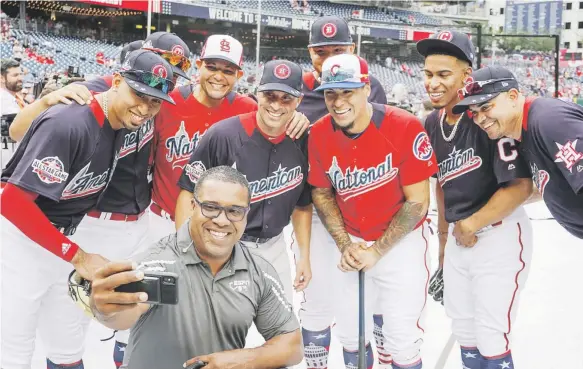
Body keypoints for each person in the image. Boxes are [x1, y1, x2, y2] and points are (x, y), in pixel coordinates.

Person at [7, 32, 193, 368]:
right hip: (54, 232)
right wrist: (48, 101)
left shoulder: (136, 110)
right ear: (121, 78)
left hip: (82, 230)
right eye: (141, 93)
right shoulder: (88, 105)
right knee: (15, 346)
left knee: (72, 341)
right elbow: (12, 190)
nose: (147, 105)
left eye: (157, 97)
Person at [87, 166, 303, 369]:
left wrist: (239, 361)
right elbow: (122, 315)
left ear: (246, 215)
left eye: (234, 211)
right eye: (210, 207)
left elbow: (292, 345)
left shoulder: (259, 271)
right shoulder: (156, 262)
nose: (221, 220)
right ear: (193, 207)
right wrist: (104, 310)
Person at [308, 54, 436, 369]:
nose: (337, 102)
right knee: (351, 336)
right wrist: (344, 244)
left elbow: (418, 201)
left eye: (347, 91)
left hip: (401, 244)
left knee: (402, 341)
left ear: (366, 87)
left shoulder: (404, 126)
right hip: (352, 239)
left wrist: (376, 251)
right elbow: (322, 192)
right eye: (330, 93)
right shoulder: (320, 132)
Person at [417, 31, 534, 369]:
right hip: (458, 238)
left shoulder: (485, 117)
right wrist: (442, 245)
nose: (433, 83)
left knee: (492, 334)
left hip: (498, 234)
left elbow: (519, 186)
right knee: (465, 332)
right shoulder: (432, 122)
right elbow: (441, 183)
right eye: (428, 74)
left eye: (443, 74)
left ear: (466, 76)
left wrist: (471, 224)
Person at [295, 15, 390, 368]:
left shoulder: (371, 85)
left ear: (352, 49)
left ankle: (377, 355)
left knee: (367, 304)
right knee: (317, 299)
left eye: (339, 49)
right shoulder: (296, 90)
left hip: (363, 210)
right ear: (310, 52)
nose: (329, 56)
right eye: (322, 51)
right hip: (317, 212)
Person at [177, 59, 312, 305]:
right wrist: (187, 252)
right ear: (257, 94)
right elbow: (188, 192)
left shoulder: (302, 139)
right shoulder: (223, 135)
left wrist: (303, 256)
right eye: (269, 95)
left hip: (275, 248)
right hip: (224, 244)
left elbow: (303, 205)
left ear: (298, 101)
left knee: (280, 331)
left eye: (286, 98)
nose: (276, 105)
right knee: (220, 331)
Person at [169, 35, 309, 239]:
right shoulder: (167, 103)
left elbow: (273, 115)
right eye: (212, 67)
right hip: (166, 216)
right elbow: (187, 191)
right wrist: (183, 243)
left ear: (239, 75)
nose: (219, 76)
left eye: (228, 71)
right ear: (198, 65)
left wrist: (296, 116)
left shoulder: (250, 108)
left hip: (224, 226)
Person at [453, 65, 583, 240]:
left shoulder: (548, 121)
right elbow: (552, 182)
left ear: (512, 96)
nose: (480, 119)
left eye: (485, 107)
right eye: (474, 113)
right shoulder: (524, 131)